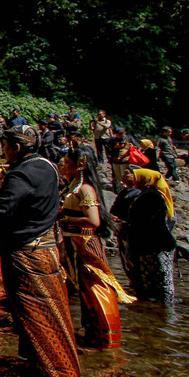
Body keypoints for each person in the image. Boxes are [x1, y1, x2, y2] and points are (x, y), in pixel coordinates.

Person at [0, 125, 81, 377]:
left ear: (17, 147)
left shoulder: (21, 173)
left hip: (26, 254)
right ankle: (47, 370)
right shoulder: (48, 166)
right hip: (46, 249)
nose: (3, 151)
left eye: (5, 146)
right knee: (51, 312)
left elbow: (3, 210)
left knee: (34, 315)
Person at [57, 149, 134, 349]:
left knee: (96, 286)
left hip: (85, 244)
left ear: (80, 165)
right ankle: (91, 332)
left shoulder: (85, 189)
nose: (63, 166)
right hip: (72, 243)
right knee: (83, 289)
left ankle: (108, 336)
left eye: (66, 162)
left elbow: (93, 220)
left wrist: (65, 219)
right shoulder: (71, 187)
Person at [125, 170, 177, 303]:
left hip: (156, 244)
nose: (134, 180)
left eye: (137, 177)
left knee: (160, 278)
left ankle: (163, 306)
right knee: (155, 278)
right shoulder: (146, 195)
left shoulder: (151, 196)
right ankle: (158, 308)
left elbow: (145, 221)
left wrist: (127, 226)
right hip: (151, 244)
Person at [109, 128, 134, 192]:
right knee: (118, 175)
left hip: (125, 160)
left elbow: (135, 146)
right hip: (115, 160)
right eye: (118, 134)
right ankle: (121, 188)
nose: (120, 136)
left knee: (124, 174)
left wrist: (130, 147)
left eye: (121, 134)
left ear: (124, 133)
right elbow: (108, 148)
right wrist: (114, 147)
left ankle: (126, 187)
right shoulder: (113, 139)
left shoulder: (129, 138)